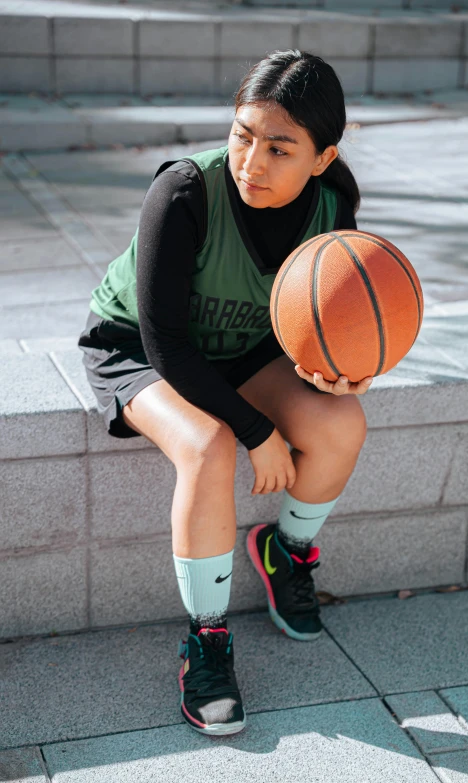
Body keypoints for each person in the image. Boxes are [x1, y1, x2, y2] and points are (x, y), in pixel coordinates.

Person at [78, 49, 373, 737]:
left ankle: (286, 549)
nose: (252, 162)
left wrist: (347, 368)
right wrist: (256, 429)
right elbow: (164, 342)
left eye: (279, 147)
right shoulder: (184, 190)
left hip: (243, 351)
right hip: (137, 349)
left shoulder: (333, 203)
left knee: (342, 422)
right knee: (208, 446)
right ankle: (205, 644)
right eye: (243, 134)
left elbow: (335, 322)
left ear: (322, 157)